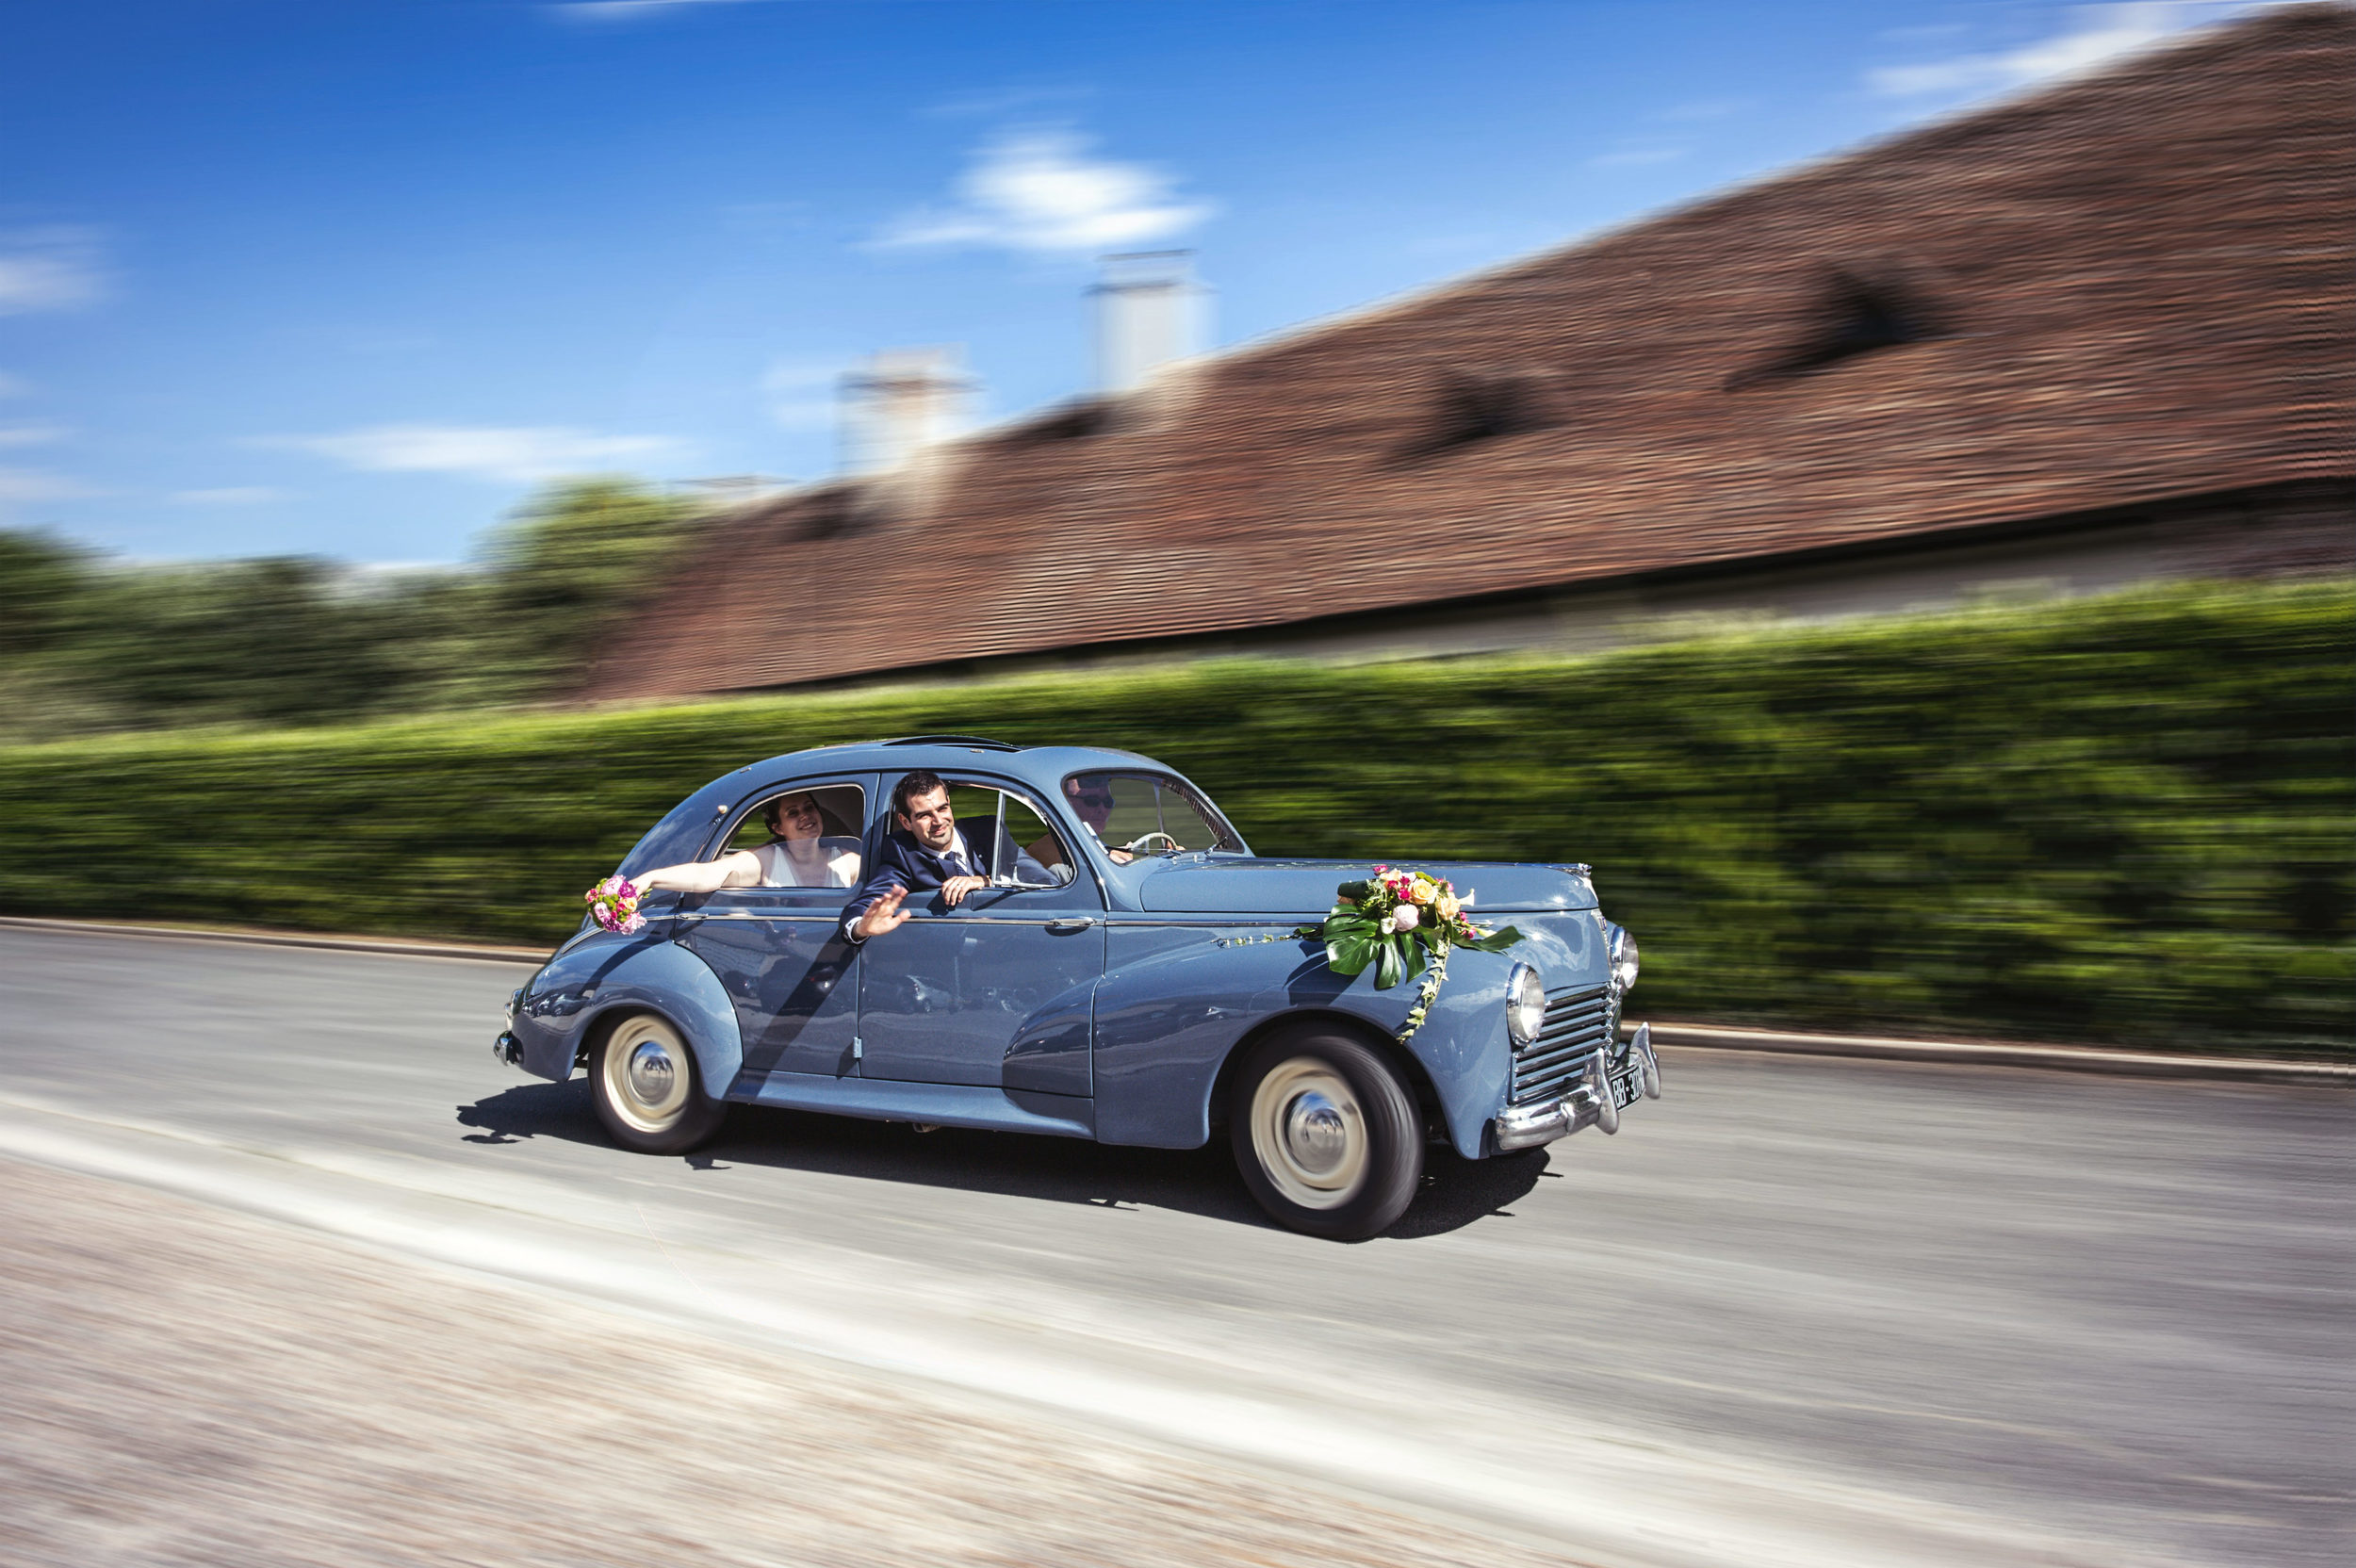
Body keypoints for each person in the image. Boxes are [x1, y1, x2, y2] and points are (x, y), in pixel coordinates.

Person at [843, 770, 1049, 943]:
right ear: (906, 822)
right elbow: (863, 907)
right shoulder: (903, 854)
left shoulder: (989, 832)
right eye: (924, 815)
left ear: (949, 803)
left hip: (1020, 938)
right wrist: (860, 928)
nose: (938, 821)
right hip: (953, 953)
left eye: (943, 808)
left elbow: (1044, 880)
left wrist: (984, 881)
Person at [632, 790, 861, 893]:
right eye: (793, 813)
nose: (805, 816)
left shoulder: (845, 861)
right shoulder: (767, 861)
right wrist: (650, 878)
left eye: (809, 808)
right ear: (777, 828)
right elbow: (708, 875)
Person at [1029, 775, 1137, 870]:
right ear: (1066, 803)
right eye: (1092, 801)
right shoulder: (1043, 853)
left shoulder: (1093, 843)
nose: (1102, 809)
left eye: (1108, 802)